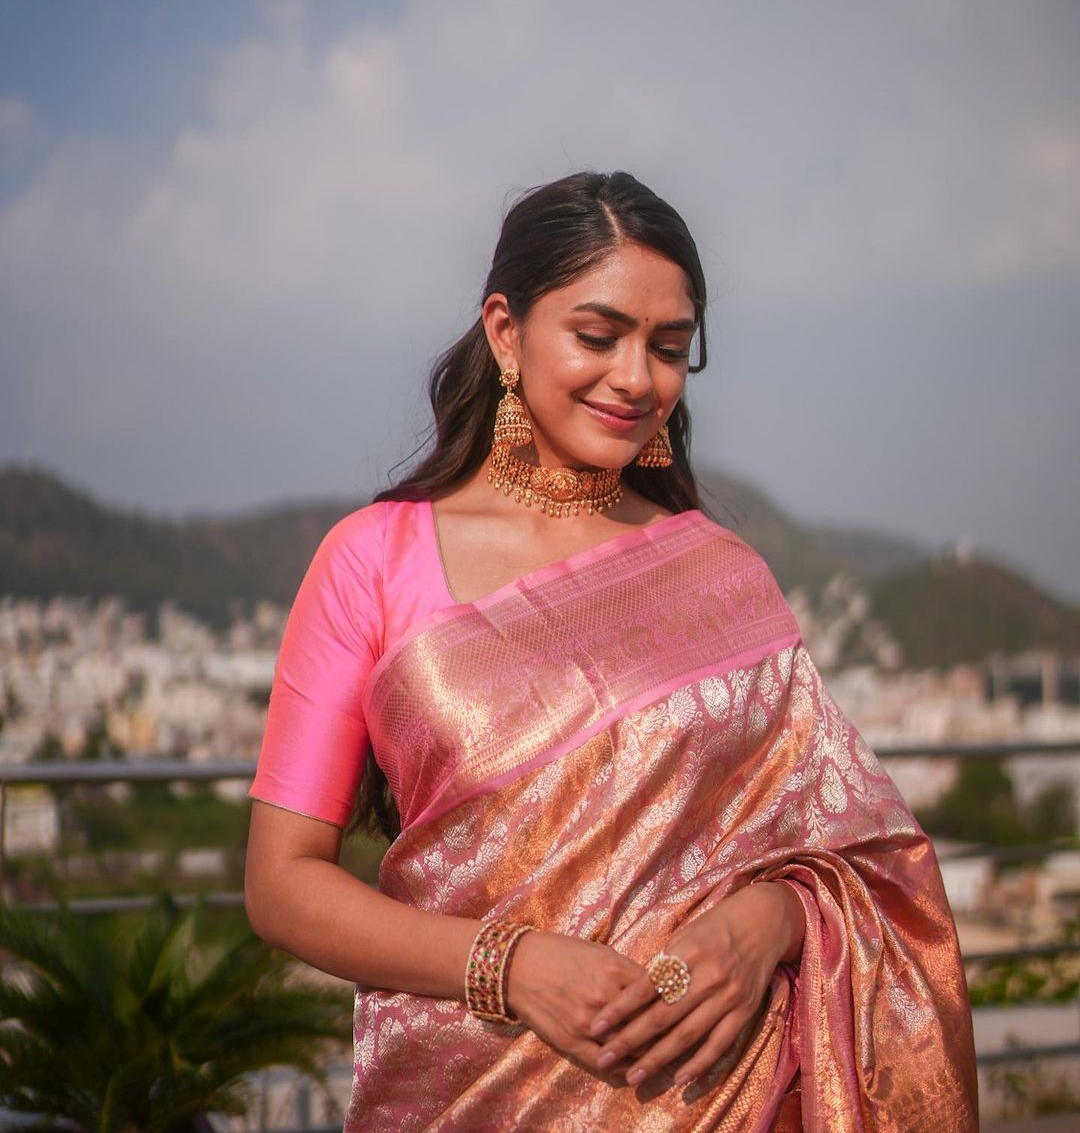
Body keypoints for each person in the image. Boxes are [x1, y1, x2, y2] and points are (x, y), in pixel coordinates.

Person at [245, 171, 977, 1131]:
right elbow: (282, 881)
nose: (637, 379)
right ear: (505, 331)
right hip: (473, 1095)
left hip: (733, 1097)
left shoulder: (721, 572)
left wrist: (778, 922)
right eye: (598, 336)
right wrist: (509, 963)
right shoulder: (372, 562)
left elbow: (870, 859)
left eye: (669, 349)